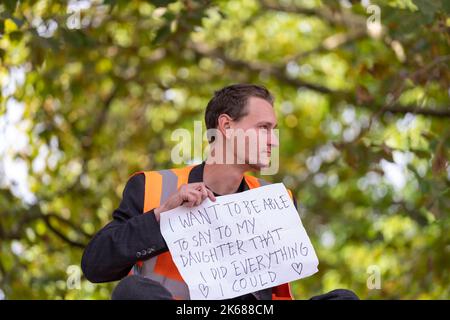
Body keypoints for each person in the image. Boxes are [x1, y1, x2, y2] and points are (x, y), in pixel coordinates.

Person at [81, 84, 358, 300]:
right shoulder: (152, 188)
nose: (273, 141)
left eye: (274, 130)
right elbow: (95, 265)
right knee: (132, 292)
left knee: (343, 298)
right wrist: (161, 215)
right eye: (263, 128)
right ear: (226, 126)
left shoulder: (279, 201)